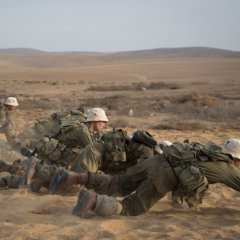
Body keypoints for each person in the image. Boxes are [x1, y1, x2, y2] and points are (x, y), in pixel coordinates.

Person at [48, 147, 208, 217]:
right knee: (131, 207)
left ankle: (76, 177)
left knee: (117, 183)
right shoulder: (227, 167)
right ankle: (94, 200)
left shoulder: (206, 150)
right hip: (166, 173)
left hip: (157, 160)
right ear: (235, 158)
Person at [158, 139, 240, 206]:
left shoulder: (212, 152)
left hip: (171, 172)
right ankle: (182, 202)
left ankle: (178, 199)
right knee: (200, 183)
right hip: (173, 179)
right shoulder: (228, 170)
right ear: (237, 158)